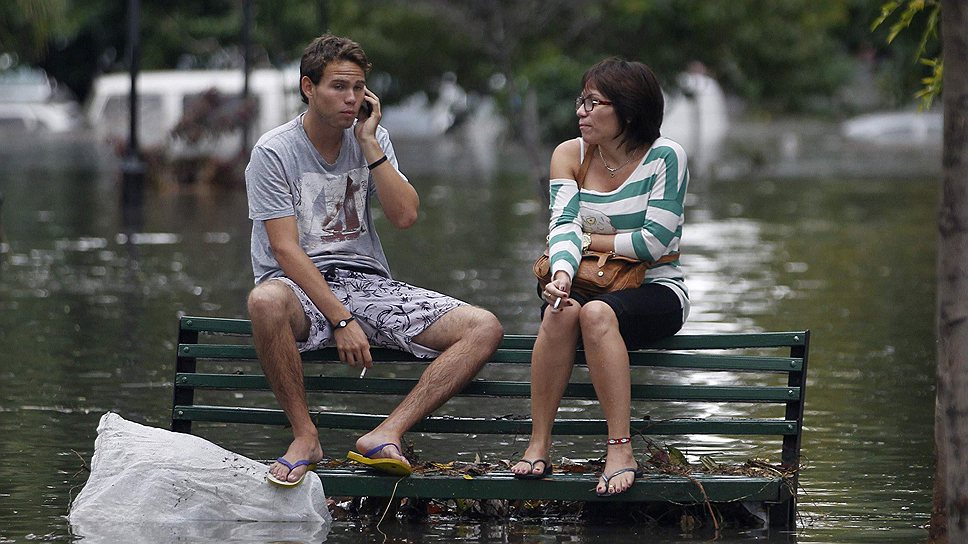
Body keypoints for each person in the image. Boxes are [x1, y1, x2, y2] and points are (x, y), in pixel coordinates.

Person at [245, 34, 503, 486]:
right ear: (309, 87)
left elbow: (405, 216)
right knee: (264, 301)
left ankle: (387, 432)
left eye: (359, 88)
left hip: (368, 283)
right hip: (298, 285)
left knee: (483, 327)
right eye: (339, 87)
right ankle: (305, 437)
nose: (351, 98)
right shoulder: (274, 151)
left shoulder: (373, 137)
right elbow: (285, 249)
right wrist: (341, 319)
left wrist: (368, 143)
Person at [510, 58, 689, 496]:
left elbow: (654, 243)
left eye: (593, 103)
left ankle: (620, 449)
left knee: (594, 315)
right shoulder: (569, 154)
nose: (581, 111)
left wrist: (589, 243)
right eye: (581, 101)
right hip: (588, 283)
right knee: (559, 312)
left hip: (657, 290)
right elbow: (564, 227)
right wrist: (563, 274)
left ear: (627, 111)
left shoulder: (666, 157)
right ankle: (538, 443)